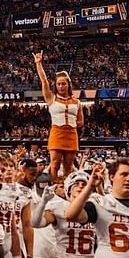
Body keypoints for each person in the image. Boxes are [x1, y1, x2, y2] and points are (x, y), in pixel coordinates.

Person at [34, 51, 82, 188]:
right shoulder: (51, 98)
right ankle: (53, 188)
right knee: (54, 164)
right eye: (58, 84)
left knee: (68, 166)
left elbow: (81, 121)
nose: (61, 86)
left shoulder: (77, 102)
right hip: (57, 133)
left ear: (68, 84)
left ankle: (67, 188)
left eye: (63, 84)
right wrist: (39, 64)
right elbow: (44, 81)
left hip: (71, 134)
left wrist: (71, 124)